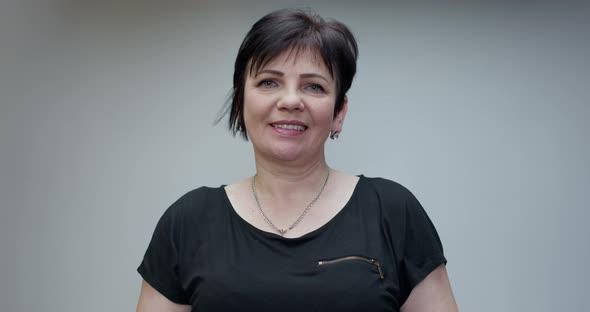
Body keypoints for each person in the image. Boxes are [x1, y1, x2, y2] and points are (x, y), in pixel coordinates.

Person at [136, 8, 457, 312]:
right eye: (268, 82)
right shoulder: (188, 222)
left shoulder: (393, 212)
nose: (290, 100)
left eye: (313, 86)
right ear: (240, 100)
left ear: (339, 112)